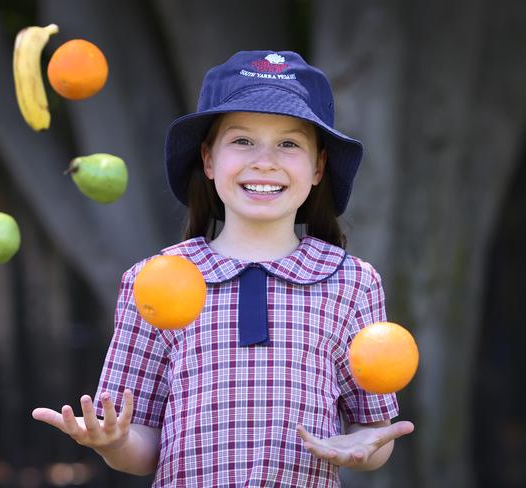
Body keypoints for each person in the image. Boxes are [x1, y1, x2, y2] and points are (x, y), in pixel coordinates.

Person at [32, 50, 415, 487]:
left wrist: (362, 449)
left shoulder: (352, 281)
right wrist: (113, 443)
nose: (264, 161)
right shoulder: (154, 279)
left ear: (318, 167)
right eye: (242, 141)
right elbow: (143, 445)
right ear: (209, 160)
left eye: (289, 143)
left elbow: (375, 431)